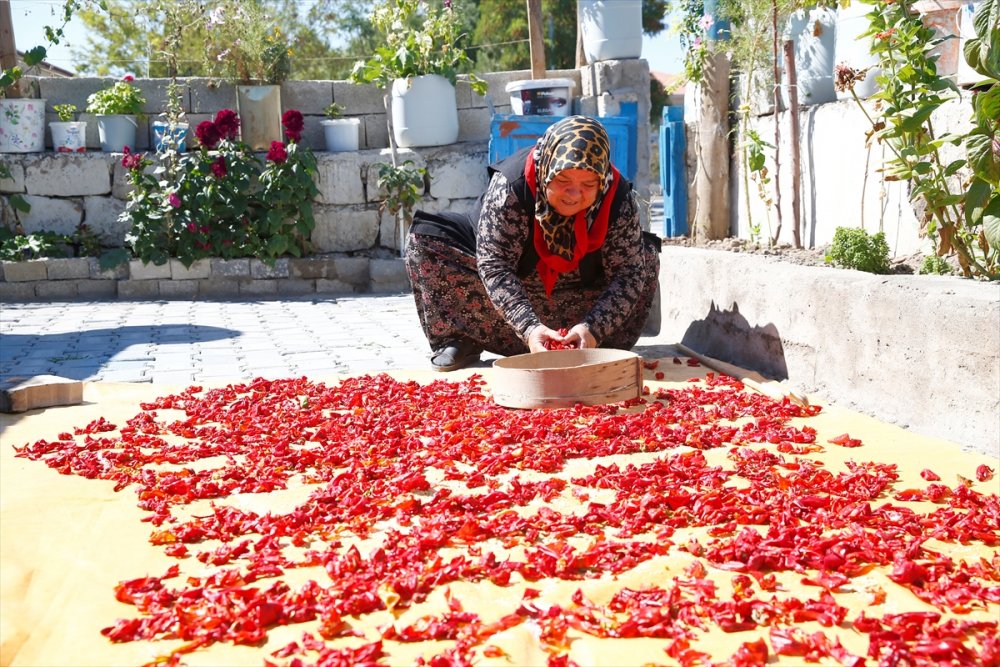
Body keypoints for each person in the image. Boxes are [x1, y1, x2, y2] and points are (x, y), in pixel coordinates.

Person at [404, 115, 661, 372]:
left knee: (644, 257)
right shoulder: (512, 186)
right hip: (510, 287)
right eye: (563, 181)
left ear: (601, 180)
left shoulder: (617, 196)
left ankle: (593, 342)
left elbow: (628, 273)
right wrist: (529, 328)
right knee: (425, 241)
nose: (574, 194)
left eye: (588, 184)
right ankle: (461, 339)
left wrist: (594, 328)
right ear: (546, 170)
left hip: (579, 293)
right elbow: (494, 265)